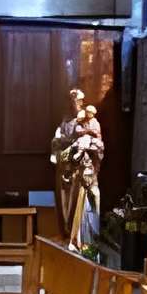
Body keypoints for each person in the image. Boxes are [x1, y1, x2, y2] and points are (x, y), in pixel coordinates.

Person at [50, 83, 104, 251]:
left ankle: (78, 238)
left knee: (79, 203)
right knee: (63, 202)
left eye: (80, 101)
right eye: (75, 101)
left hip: (81, 170)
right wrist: (64, 143)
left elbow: (98, 144)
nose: (78, 104)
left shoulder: (91, 122)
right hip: (65, 167)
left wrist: (85, 142)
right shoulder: (65, 122)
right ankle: (64, 234)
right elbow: (57, 141)